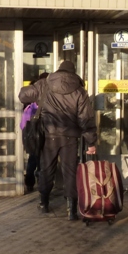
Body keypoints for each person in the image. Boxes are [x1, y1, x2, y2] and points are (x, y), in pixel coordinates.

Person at [18, 60, 97, 220]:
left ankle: (44, 203)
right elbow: (85, 118)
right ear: (73, 72)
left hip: (49, 135)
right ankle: (71, 209)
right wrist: (91, 142)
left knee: (46, 169)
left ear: (59, 70)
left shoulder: (44, 84)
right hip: (70, 138)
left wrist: (37, 94)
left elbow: (22, 95)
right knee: (70, 172)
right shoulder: (80, 91)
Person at [21, 72, 49, 193]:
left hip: (32, 131)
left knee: (33, 158)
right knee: (41, 159)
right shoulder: (48, 93)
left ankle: (30, 182)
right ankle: (41, 183)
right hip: (44, 131)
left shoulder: (31, 92)